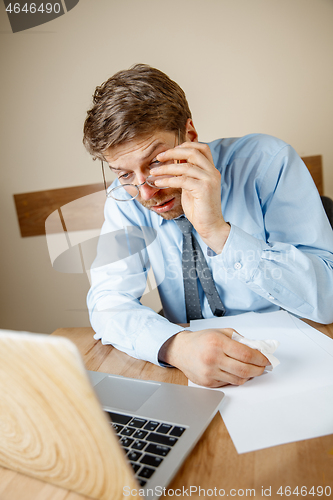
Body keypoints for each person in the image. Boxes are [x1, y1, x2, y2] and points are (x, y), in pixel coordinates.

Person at [83, 64, 333, 388]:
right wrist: (176, 346)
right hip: (190, 374)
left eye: (156, 162)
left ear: (189, 135)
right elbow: (107, 303)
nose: (146, 193)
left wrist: (218, 231)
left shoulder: (267, 162)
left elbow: (328, 298)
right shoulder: (128, 200)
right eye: (124, 173)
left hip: (290, 364)